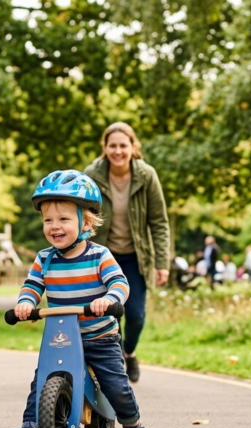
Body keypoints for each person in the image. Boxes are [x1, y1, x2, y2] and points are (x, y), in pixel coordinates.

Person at [2, 170, 147, 428]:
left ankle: (133, 424)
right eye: (48, 220)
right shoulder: (45, 258)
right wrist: (25, 304)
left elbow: (120, 283)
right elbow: (32, 286)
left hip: (100, 337)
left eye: (63, 219)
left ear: (86, 222)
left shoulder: (99, 255)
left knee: (116, 386)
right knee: (41, 382)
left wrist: (108, 299)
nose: (54, 226)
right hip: (62, 338)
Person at [83, 122, 170, 384]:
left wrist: (162, 263)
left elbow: (159, 222)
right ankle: (114, 360)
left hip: (135, 257)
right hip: (100, 256)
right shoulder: (92, 174)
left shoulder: (146, 175)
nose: (118, 151)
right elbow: (81, 215)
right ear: (105, 148)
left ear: (133, 147)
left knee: (134, 313)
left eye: (123, 145)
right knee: (106, 311)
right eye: (113, 145)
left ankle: (129, 352)